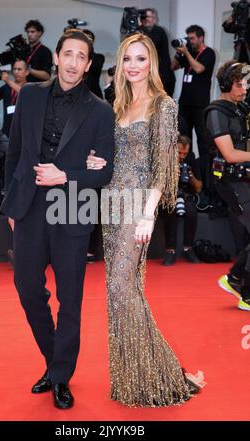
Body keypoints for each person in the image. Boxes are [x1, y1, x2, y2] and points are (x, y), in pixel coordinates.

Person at [86, 33, 204, 407]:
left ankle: (162, 374)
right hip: (112, 204)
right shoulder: (117, 104)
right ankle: (137, 377)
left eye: (140, 58)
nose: (133, 66)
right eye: (127, 59)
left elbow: (164, 167)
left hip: (138, 207)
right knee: (121, 292)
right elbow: (113, 158)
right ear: (119, 64)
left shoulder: (163, 105)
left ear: (151, 62)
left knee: (122, 290)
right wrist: (96, 163)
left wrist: (148, 214)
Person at [0, 29, 115, 409]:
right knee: (27, 288)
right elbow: (14, 152)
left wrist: (66, 175)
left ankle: (61, 376)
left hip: (73, 206)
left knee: (70, 299)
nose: (73, 62)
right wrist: (12, 205)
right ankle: (54, 361)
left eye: (81, 56)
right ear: (57, 57)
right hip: (30, 205)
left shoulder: (100, 110)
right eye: (68, 53)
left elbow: (104, 173)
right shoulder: (29, 95)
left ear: (88, 64)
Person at [206, 60, 250, 312]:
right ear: (225, 85)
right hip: (229, 181)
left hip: (243, 177)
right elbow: (230, 154)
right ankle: (239, 285)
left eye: (245, 84)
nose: (244, 89)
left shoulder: (239, 108)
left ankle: (238, 283)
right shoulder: (216, 112)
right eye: (239, 84)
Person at [171, 25, 216, 160]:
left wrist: (187, 53)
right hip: (185, 103)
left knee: (202, 139)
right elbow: (173, 66)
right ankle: (187, 168)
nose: (190, 41)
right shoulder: (187, 52)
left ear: (201, 37)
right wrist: (179, 53)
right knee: (184, 139)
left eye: (192, 38)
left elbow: (199, 69)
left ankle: (204, 172)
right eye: (188, 38)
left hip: (200, 105)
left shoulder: (209, 53)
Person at [161, 135, 202, 266]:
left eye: (185, 153)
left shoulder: (191, 159)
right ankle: (170, 250)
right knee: (170, 210)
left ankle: (187, 248)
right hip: (167, 196)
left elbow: (199, 188)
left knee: (191, 212)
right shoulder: (165, 159)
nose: (182, 156)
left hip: (186, 195)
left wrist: (190, 175)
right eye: (180, 153)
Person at [0, 59, 30, 137]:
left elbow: (23, 93)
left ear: (27, 72)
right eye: (14, 69)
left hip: (23, 130)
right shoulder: (7, 86)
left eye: (19, 69)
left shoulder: (30, 87)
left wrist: (8, 81)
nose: (16, 72)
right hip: (7, 129)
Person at [139, 8, 176, 96]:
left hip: (164, 78)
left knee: (162, 107)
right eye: (144, 17)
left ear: (155, 19)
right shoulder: (141, 33)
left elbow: (151, 43)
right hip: (154, 77)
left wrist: (140, 26)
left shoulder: (159, 31)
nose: (146, 19)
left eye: (149, 17)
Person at [82, 29, 105, 99]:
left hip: (94, 95)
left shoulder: (99, 57)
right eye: (84, 38)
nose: (87, 41)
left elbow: (93, 67)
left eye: (89, 39)